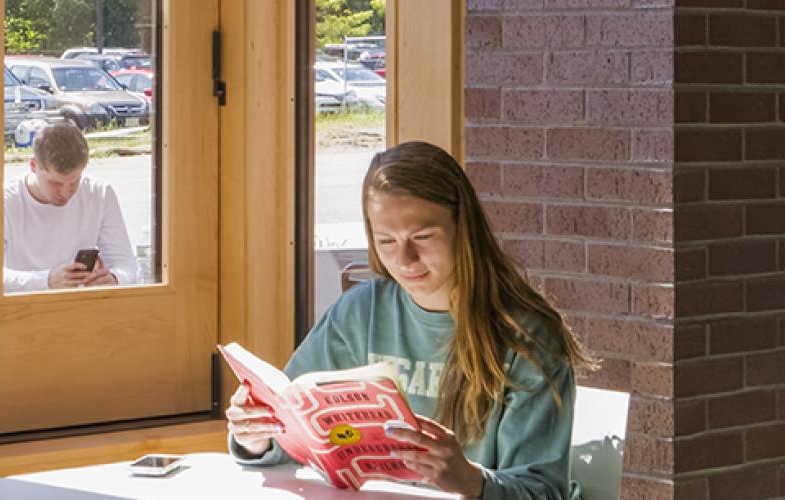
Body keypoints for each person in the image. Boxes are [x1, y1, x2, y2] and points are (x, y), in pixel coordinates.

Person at [226, 141, 596, 499]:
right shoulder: (360, 312)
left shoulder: (527, 337)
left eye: (423, 236)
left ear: (463, 229)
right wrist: (257, 436)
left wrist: (473, 482)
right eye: (386, 241)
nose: (405, 259)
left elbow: (542, 492)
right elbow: (294, 436)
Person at [4, 123, 137, 292]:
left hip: (80, 306)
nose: (66, 192)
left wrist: (114, 279)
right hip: (20, 308)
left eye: (75, 182)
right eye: (55, 183)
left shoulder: (99, 192)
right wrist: (46, 281)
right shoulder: (6, 201)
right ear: (33, 166)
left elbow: (126, 264)